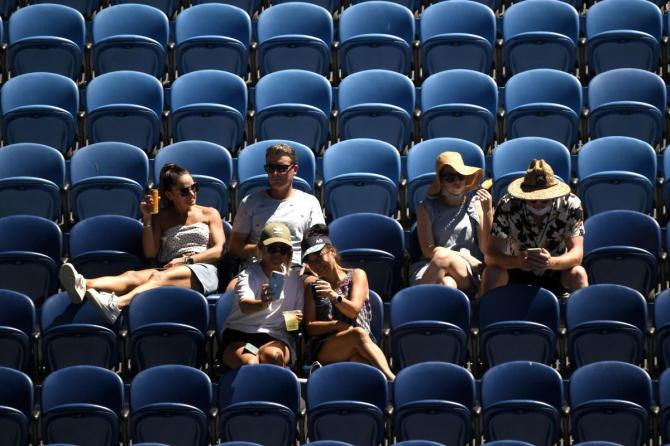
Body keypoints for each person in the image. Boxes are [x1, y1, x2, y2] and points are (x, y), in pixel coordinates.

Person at [58, 163, 225, 323]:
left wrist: (186, 260)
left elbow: (219, 249)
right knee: (131, 276)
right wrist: (147, 219)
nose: (192, 194)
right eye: (184, 191)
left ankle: (116, 304)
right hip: (169, 268)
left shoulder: (209, 213)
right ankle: (83, 284)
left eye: (194, 187)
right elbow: (151, 253)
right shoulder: (162, 218)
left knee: (157, 276)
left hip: (202, 270)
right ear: (169, 195)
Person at [481, 158, 588, 295]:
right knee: (491, 273)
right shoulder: (508, 204)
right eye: (532, 198)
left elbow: (577, 254)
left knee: (578, 273)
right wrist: (517, 262)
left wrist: (551, 262)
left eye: (544, 199)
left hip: (556, 269)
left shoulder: (571, 204)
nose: (538, 203)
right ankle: (486, 313)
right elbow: (491, 256)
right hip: (517, 267)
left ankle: (582, 314)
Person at [302, 224, 395, 381]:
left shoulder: (357, 274)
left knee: (358, 361)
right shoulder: (313, 287)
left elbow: (354, 310)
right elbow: (310, 327)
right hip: (326, 347)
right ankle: (393, 381)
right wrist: (337, 325)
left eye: (319, 256)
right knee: (357, 334)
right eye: (310, 261)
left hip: (361, 344)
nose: (316, 264)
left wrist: (332, 294)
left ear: (331, 251)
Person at [220, 222, 304, 368]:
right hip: (241, 335)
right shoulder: (248, 274)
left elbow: (291, 328)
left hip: (275, 337)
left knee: (273, 357)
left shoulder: (295, 280)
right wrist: (262, 303)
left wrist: (294, 321)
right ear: (260, 248)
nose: (277, 254)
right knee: (251, 361)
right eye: (272, 248)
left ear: (289, 253)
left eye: (283, 250)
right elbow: (245, 305)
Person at [229, 143, 325, 267]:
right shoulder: (250, 202)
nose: (275, 173)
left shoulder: (310, 202)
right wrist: (259, 250)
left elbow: (319, 243)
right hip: (258, 268)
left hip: (296, 268)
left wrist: (310, 263)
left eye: (281, 168)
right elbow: (234, 246)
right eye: (270, 168)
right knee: (231, 287)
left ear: (294, 169)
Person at [411, 151, 493, 295]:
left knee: (443, 257)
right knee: (448, 284)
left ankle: (414, 306)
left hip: (466, 269)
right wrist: (464, 256)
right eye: (450, 177)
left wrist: (487, 212)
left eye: (460, 176)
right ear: (441, 181)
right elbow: (428, 250)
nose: (457, 181)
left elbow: (486, 248)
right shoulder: (425, 207)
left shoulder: (476, 204)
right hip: (431, 265)